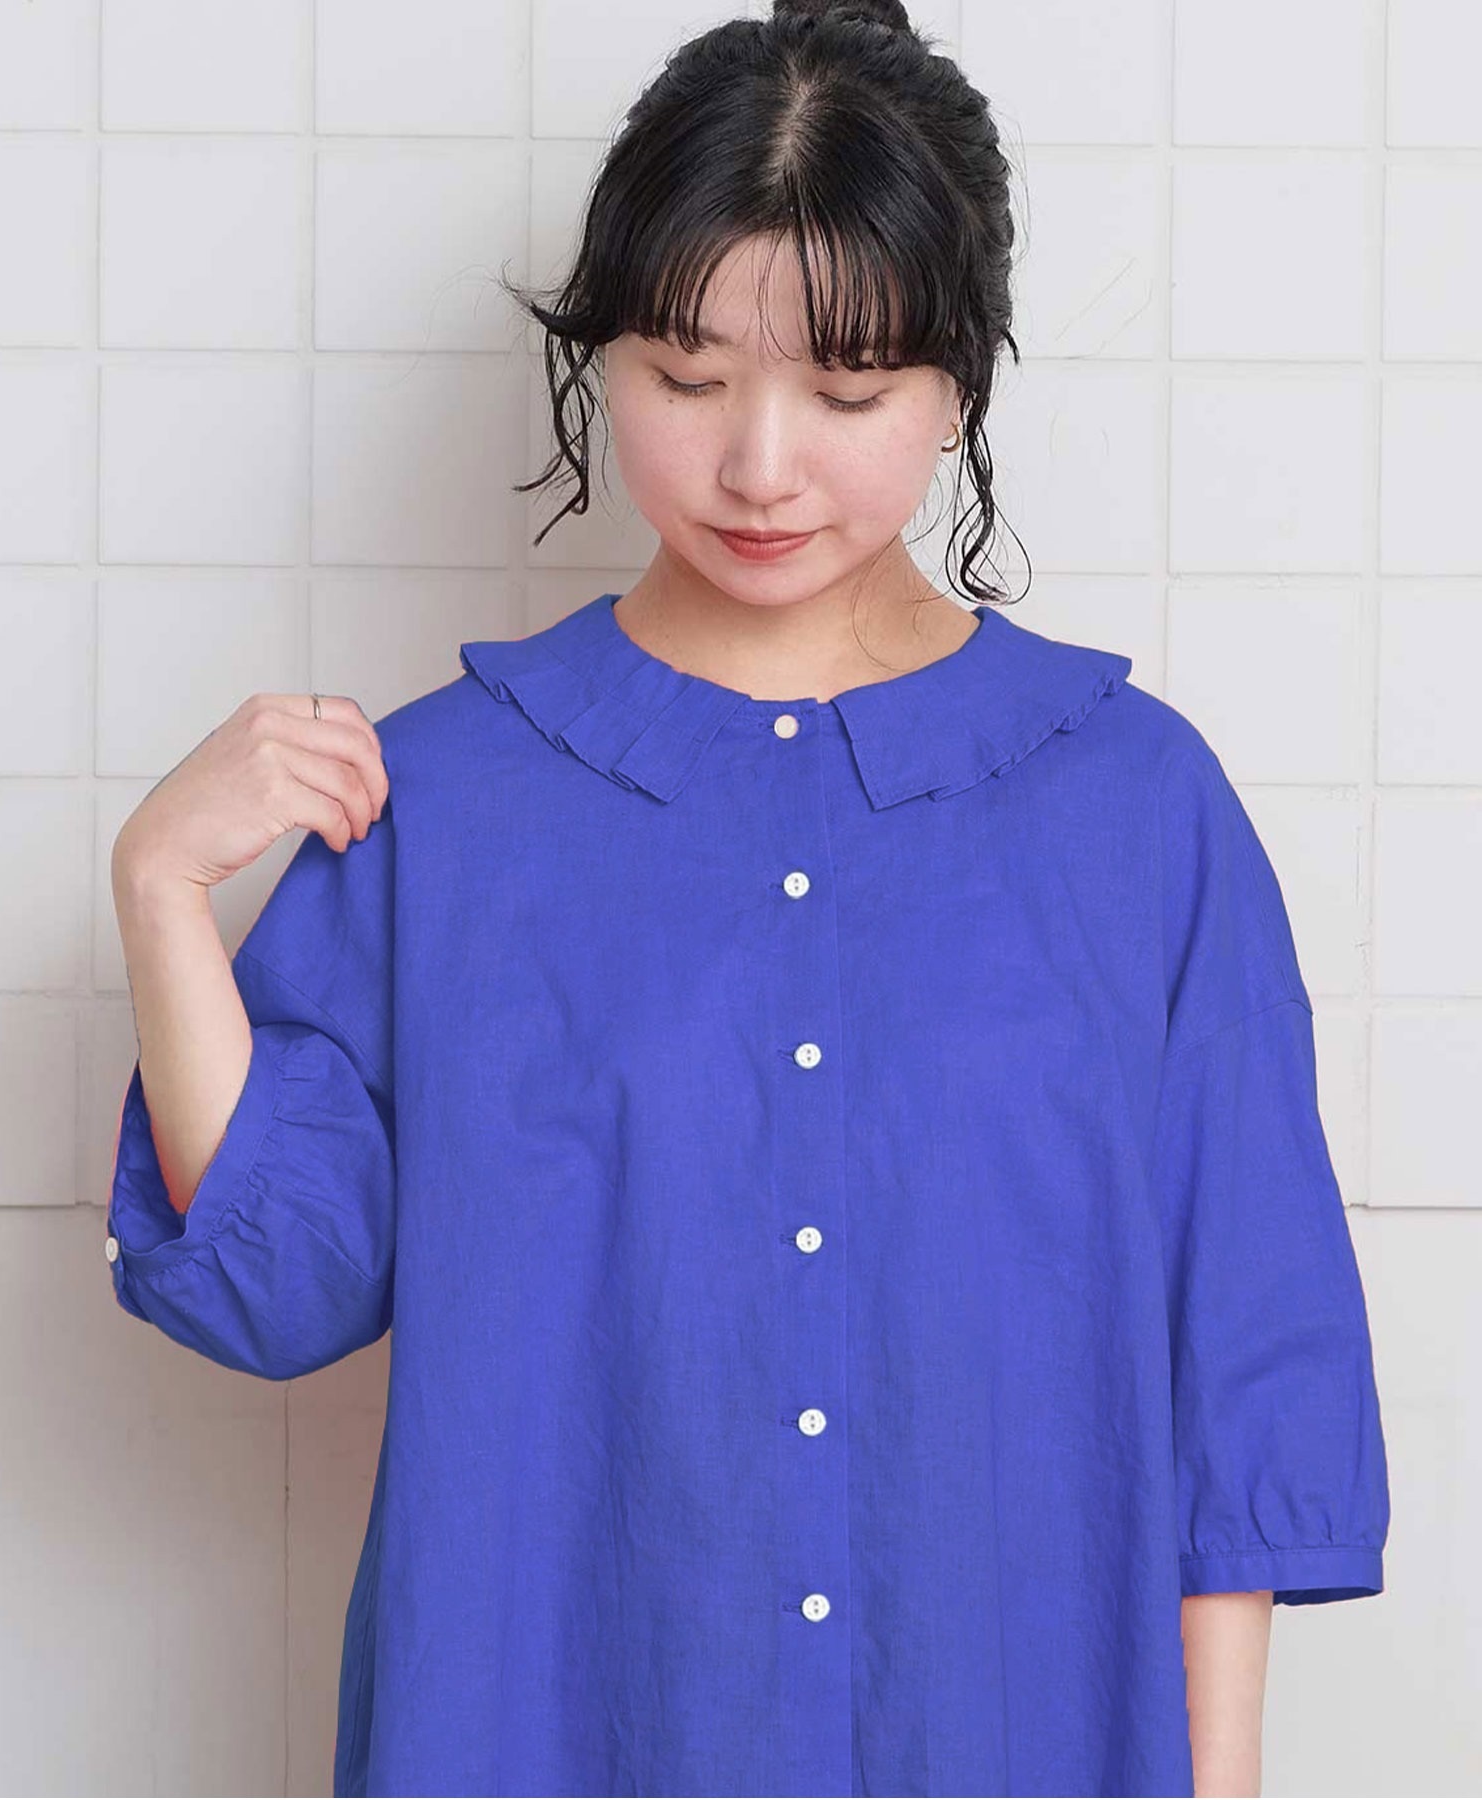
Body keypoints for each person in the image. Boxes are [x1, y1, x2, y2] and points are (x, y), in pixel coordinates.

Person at [102, 0, 1390, 1794]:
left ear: (959, 383)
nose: (760, 466)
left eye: (847, 393)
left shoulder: (1137, 810)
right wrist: (161, 888)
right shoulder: (441, 802)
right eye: (686, 379)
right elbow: (280, 1284)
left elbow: (1241, 1377)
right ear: (602, 360)